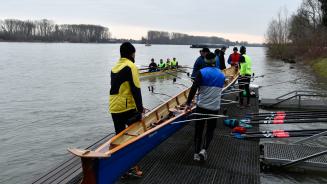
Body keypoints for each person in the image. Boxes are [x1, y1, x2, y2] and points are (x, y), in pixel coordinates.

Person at [109, 42, 144, 177]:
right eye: (134, 53)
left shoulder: (114, 67)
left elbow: (120, 89)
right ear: (131, 53)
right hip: (126, 107)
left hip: (114, 106)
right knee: (131, 139)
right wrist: (140, 110)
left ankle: (122, 170)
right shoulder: (131, 66)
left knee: (119, 137)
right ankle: (133, 169)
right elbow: (136, 89)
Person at [185, 52, 225, 161]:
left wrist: (188, 104)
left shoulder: (201, 72)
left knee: (199, 130)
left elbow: (193, 89)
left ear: (205, 61)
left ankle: (196, 153)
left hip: (201, 106)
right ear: (215, 61)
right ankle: (204, 149)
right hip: (215, 107)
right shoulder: (222, 74)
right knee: (210, 130)